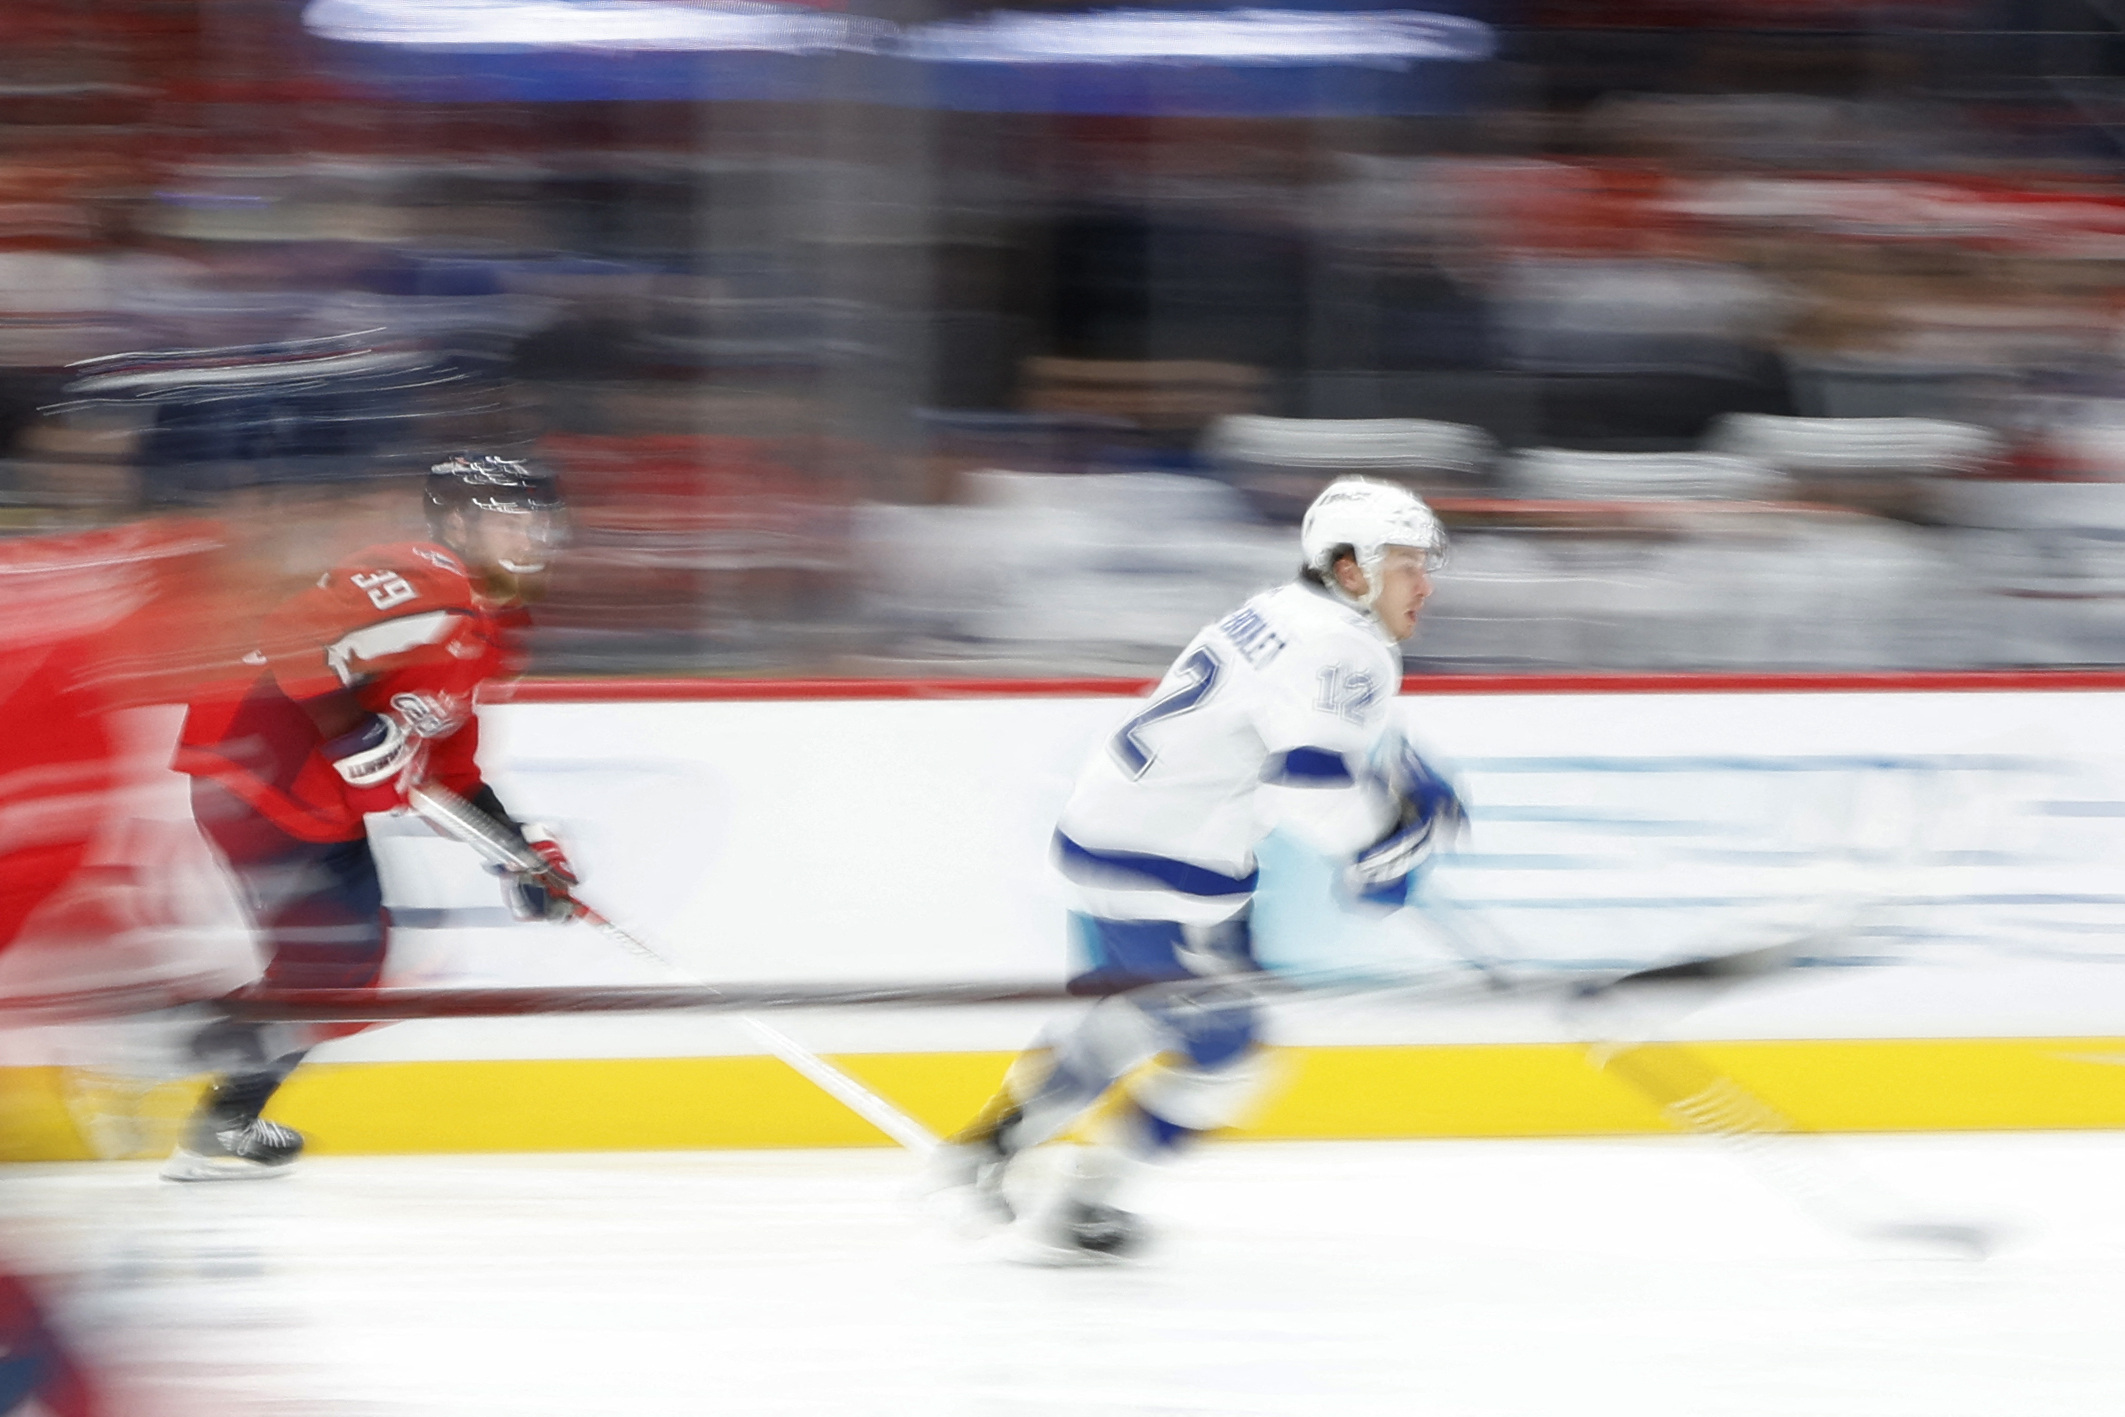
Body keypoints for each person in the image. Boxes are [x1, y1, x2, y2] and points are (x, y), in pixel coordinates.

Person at [934, 475, 1464, 1262]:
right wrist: (1395, 846)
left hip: (1096, 838)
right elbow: (1310, 791)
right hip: (1170, 873)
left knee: (1133, 1015)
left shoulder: (1279, 611)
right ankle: (1086, 1199)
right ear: (1350, 569)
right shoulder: (1346, 647)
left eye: (1427, 565)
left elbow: (1288, 756)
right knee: (1227, 1061)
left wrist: (1383, 821)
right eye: (1404, 564)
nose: (1423, 584)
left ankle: (996, 1142)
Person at [166, 454, 577, 1180]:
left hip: (311, 805)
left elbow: (449, 771)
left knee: (341, 973)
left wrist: (519, 850)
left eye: (537, 521)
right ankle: (186, 1049)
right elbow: (295, 634)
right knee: (338, 968)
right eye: (509, 520)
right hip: (257, 774)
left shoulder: (493, 625)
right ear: (456, 523)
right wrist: (348, 730)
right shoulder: (425, 573)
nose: (529, 537)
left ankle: (220, 1117)